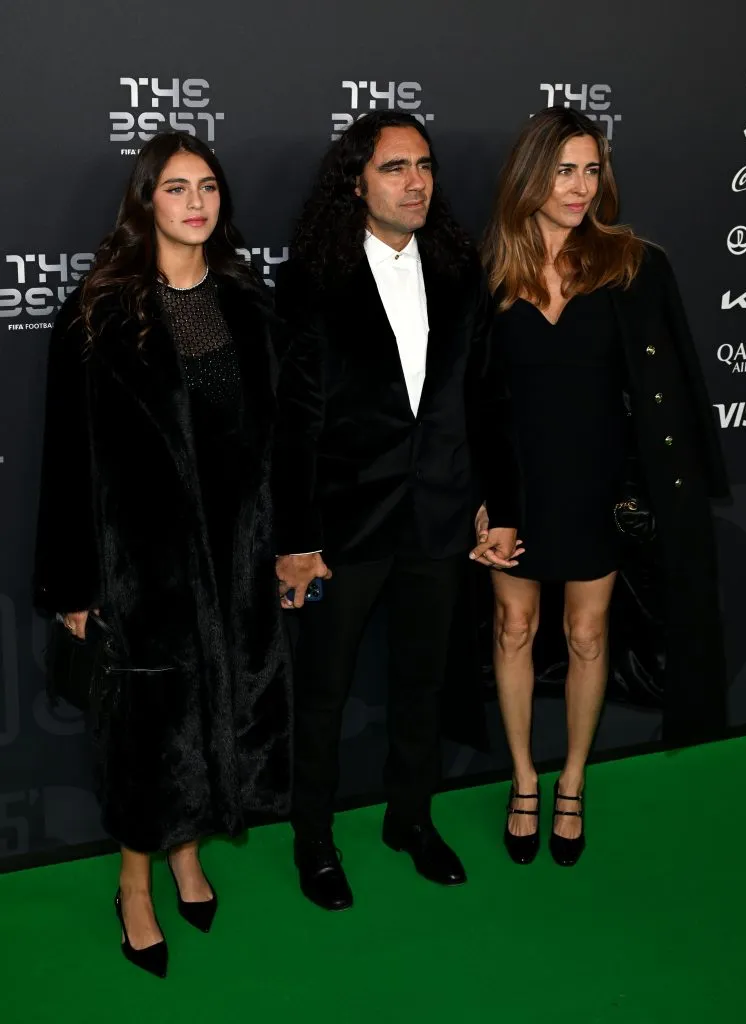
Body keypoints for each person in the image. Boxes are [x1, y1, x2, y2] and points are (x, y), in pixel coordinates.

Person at [33, 132, 291, 976]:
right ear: (145, 202)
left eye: (207, 186)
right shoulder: (98, 312)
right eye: (176, 187)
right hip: (140, 563)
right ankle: (134, 882)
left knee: (221, 706)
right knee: (149, 731)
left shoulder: (248, 303)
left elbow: (277, 442)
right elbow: (66, 459)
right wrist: (74, 582)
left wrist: (286, 545)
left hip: (235, 552)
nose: (195, 202)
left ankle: (188, 851)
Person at [273, 110, 520, 911]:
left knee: (423, 679)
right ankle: (313, 840)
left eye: (423, 166)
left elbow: (484, 399)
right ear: (355, 182)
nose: (415, 183)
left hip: (439, 514)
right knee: (323, 689)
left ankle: (409, 819)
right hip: (344, 524)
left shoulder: (456, 270)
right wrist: (296, 539)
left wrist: (497, 504)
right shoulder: (313, 280)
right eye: (393, 168)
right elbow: (294, 421)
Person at [472, 106, 728, 868]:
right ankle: (524, 778)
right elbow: (475, 404)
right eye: (563, 170)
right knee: (512, 628)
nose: (579, 187)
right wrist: (487, 503)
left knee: (587, 634)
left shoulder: (631, 265)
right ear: (530, 176)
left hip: (597, 485)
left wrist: (647, 492)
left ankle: (573, 780)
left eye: (590, 170)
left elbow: (668, 391)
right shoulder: (487, 272)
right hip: (518, 488)